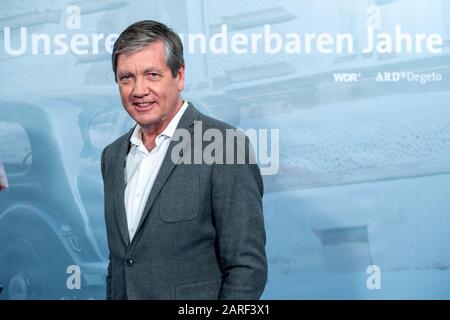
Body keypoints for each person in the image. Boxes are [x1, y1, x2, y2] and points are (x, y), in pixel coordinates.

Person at [101, 20, 267, 300]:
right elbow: (121, 262)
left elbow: (247, 268)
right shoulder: (113, 155)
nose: (138, 90)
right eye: (126, 78)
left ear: (179, 76)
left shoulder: (224, 144)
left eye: (152, 75)